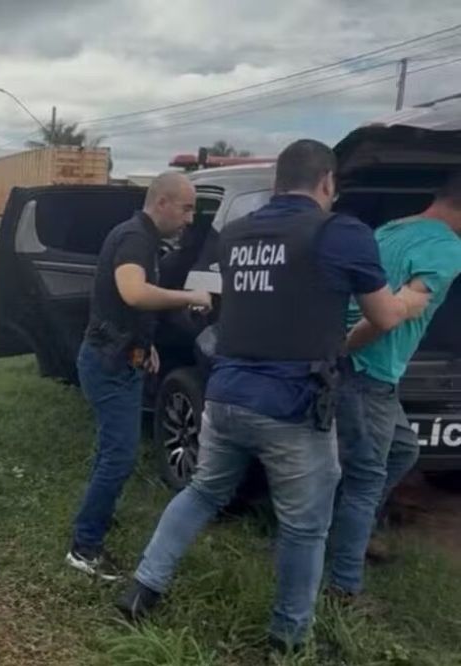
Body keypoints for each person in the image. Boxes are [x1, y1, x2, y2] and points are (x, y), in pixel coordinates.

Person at [116, 139, 429, 650]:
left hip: (226, 395)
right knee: (305, 525)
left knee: (201, 492)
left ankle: (143, 588)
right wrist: (415, 295)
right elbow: (385, 316)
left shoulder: (236, 234)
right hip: (292, 407)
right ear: (327, 183)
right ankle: (288, 638)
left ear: (279, 182)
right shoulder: (339, 232)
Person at [65, 172, 213, 580]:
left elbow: (125, 307)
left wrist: (144, 345)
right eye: (185, 209)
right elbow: (132, 292)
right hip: (107, 364)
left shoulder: (141, 237)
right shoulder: (136, 238)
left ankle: (93, 521)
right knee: (119, 456)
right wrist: (189, 296)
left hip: (119, 357)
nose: (189, 220)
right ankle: (84, 549)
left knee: (110, 452)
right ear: (161, 202)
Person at [328, 170, 461, 596]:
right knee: (366, 478)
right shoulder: (447, 248)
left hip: (369, 372)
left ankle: (349, 525)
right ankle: (342, 586)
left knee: (403, 449)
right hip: (368, 371)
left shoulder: (389, 229)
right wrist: (347, 348)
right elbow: (394, 313)